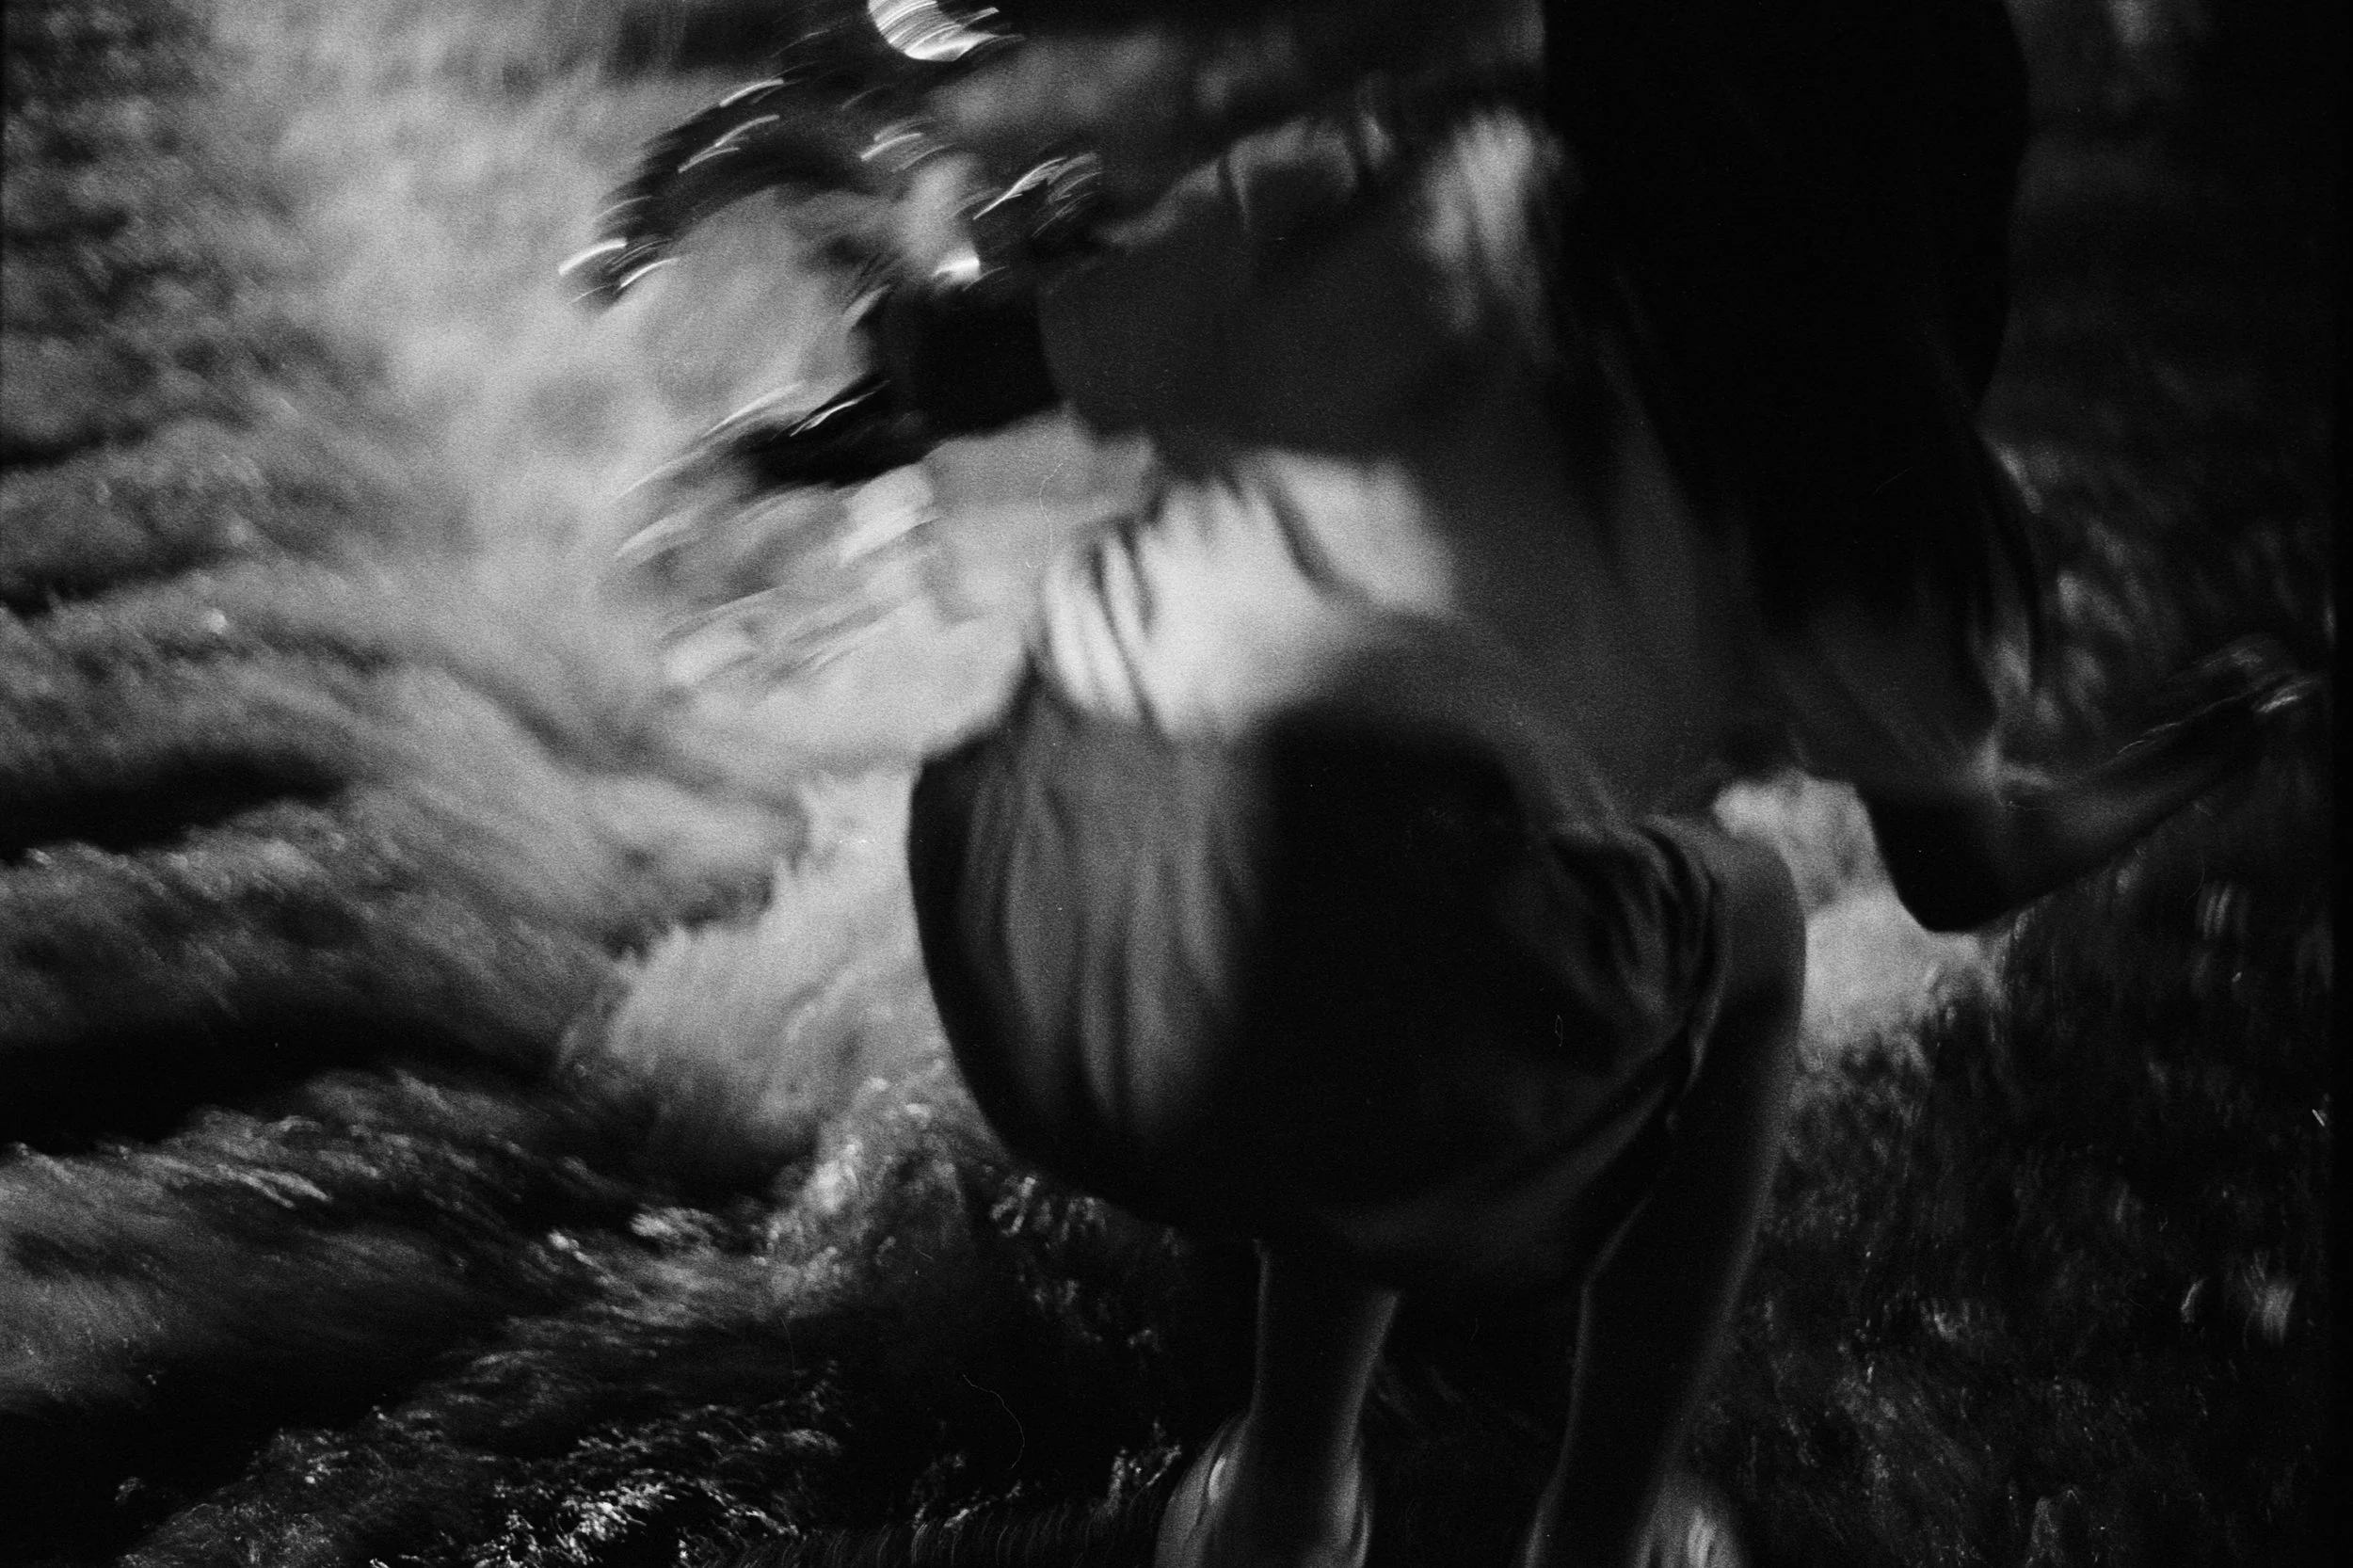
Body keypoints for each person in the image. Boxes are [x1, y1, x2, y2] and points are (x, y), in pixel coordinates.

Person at [633, 3, 2300, 1563]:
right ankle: (1605, 1524)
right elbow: (1962, 867)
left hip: (1034, 922)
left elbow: (978, 369)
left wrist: (913, 256)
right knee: (1731, 908)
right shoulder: (1896, 500)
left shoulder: (1407, 177)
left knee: (1398, 788)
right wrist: (2197, 745)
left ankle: (1286, 1494)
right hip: (1359, 980)